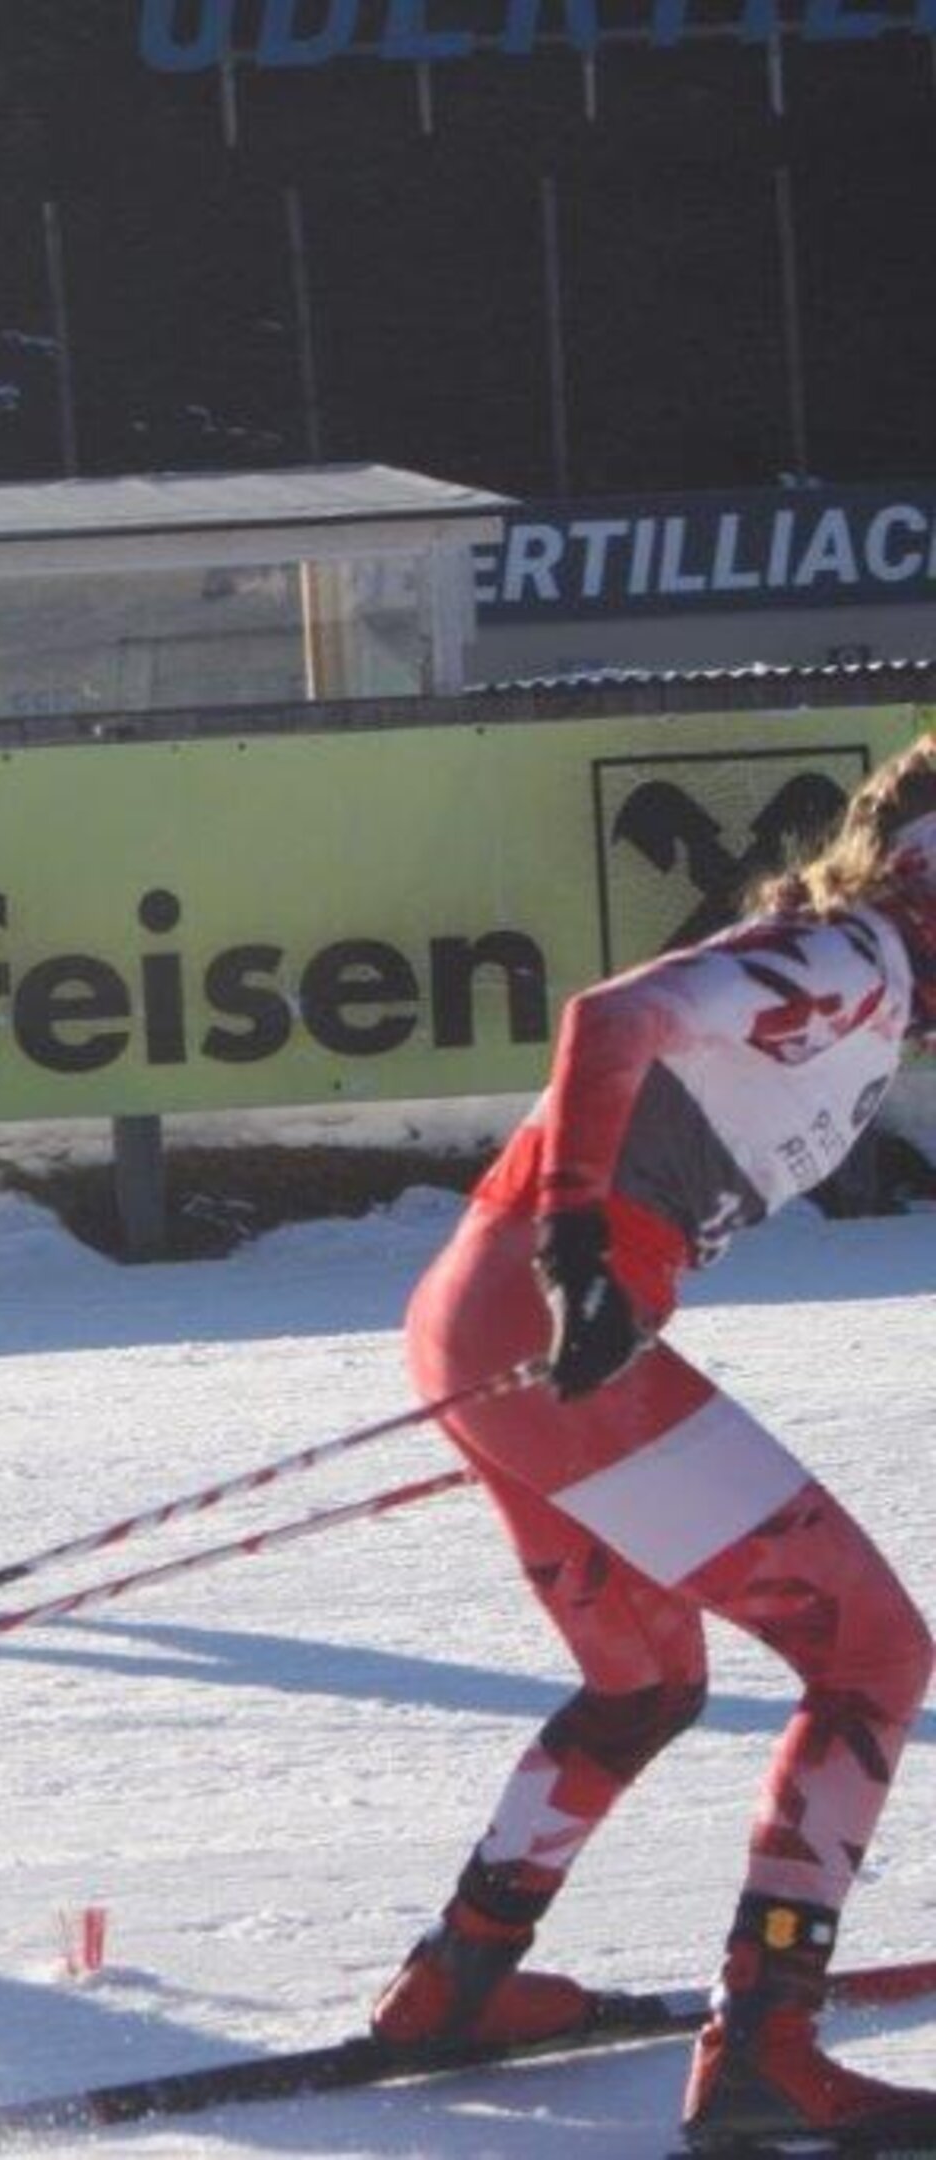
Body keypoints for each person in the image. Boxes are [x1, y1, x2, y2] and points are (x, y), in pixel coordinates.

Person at [370, 738, 936, 2146]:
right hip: (546, 1310)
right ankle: (764, 2048)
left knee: (642, 1680)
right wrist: (578, 1248)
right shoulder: (850, 962)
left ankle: (455, 1982)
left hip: (490, 1313)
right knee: (871, 1653)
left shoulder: (856, 978)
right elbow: (609, 1016)